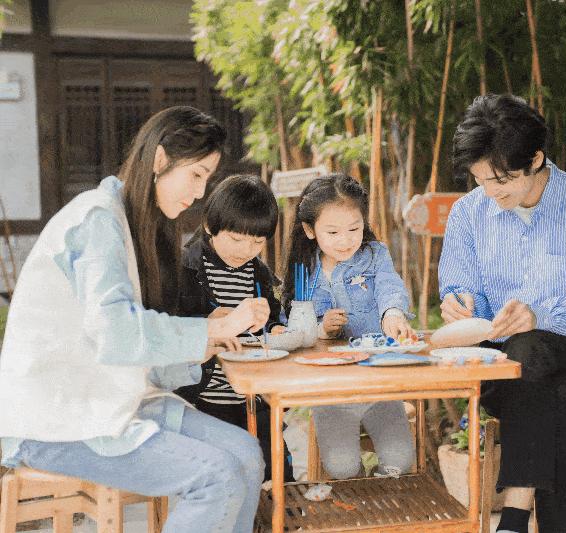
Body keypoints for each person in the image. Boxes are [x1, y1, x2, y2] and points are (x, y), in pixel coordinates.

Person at [0, 106, 270, 533]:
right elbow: (117, 333)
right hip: (57, 417)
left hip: (115, 401)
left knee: (246, 454)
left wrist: (206, 342)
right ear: (160, 160)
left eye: (207, 179)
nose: (199, 194)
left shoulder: (136, 226)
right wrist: (211, 327)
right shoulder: (96, 220)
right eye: (196, 175)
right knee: (216, 475)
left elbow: (143, 354)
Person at [439, 94, 566, 533]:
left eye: (501, 179)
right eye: (480, 180)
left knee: (533, 345)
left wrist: (540, 313)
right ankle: (548, 523)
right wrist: (459, 303)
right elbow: (462, 296)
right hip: (498, 367)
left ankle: (512, 517)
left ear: (536, 159)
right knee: (551, 392)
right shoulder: (468, 214)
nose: (490, 192)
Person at [283, 173, 416, 479]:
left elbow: (389, 287)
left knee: (399, 459)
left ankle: (381, 502)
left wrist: (392, 315)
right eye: (333, 231)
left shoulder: (375, 255)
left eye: (354, 228)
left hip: (379, 386)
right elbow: (295, 328)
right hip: (332, 392)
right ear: (309, 230)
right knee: (342, 467)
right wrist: (322, 328)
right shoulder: (305, 271)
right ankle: (355, 501)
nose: (345, 240)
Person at [175, 173, 293, 482]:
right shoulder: (186, 269)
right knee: (225, 475)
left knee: (277, 472)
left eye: (257, 241)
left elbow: (273, 319)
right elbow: (171, 328)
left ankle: (275, 520)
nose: (245, 250)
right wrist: (211, 325)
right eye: (237, 239)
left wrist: (275, 327)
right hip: (204, 401)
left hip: (254, 397)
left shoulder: (260, 274)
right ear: (209, 227)